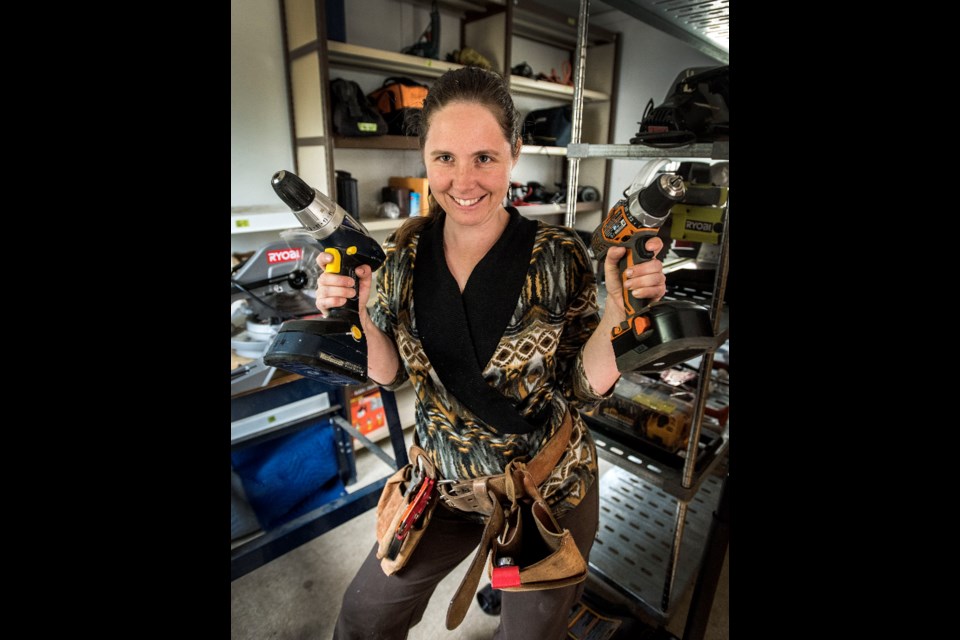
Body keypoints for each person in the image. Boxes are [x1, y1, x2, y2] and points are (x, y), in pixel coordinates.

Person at [316, 66, 666, 640]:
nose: (463, 180)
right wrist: (355, 313)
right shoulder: (400, 257)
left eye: (484, 157)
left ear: (515, 154)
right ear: (425, 157)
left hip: (542, 490)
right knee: (364, 616)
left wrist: (617, 315)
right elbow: (387, 375)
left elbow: (582, 387)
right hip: (443, 488)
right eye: (444, 158)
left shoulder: (559, 256)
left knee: (528, 635)